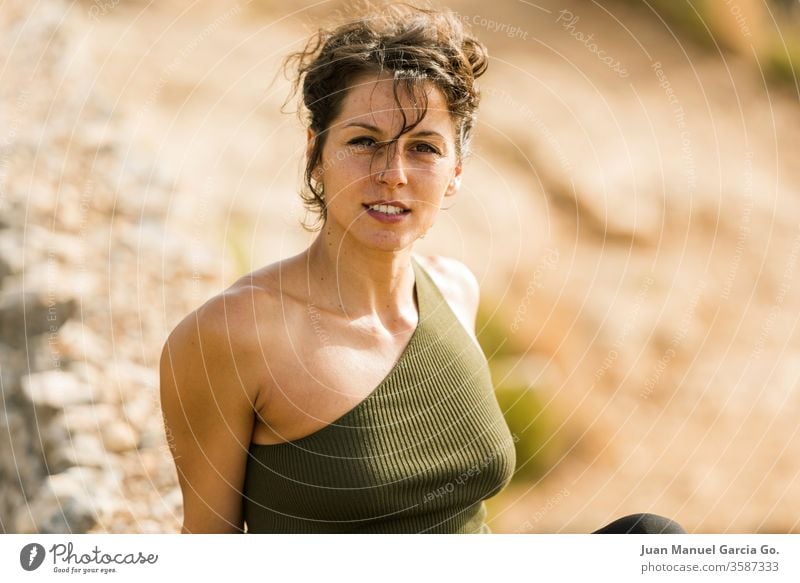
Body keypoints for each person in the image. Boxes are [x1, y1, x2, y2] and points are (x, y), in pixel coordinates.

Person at [159, 2, 685, 535]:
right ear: (316, 154)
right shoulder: (229, 335)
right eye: (364, 141)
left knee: (651, 538)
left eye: (424, 148)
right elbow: (208, 546)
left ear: (455, 172)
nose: (393, 174)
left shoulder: (455, 290)